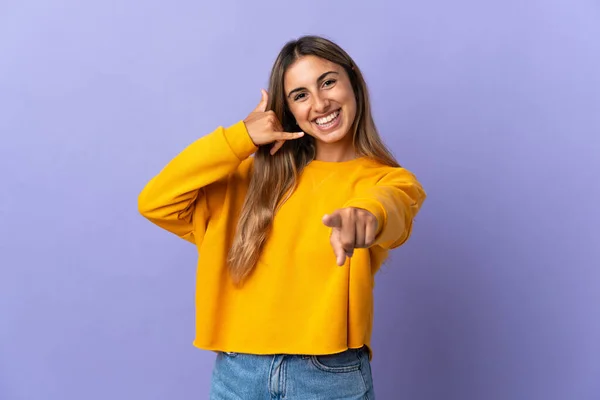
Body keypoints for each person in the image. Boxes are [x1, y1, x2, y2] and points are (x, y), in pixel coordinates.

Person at [138, 35, 426, 399]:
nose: (320, 103)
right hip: (239, 372)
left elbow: (390, 206)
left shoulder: (385, 180)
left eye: (328, 81)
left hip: (329, 375)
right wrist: (240, 138)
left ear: (352, 79)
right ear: (287, 109)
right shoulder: (247, 178)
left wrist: (366, 216)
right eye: (300, 95)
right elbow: (156, 201)